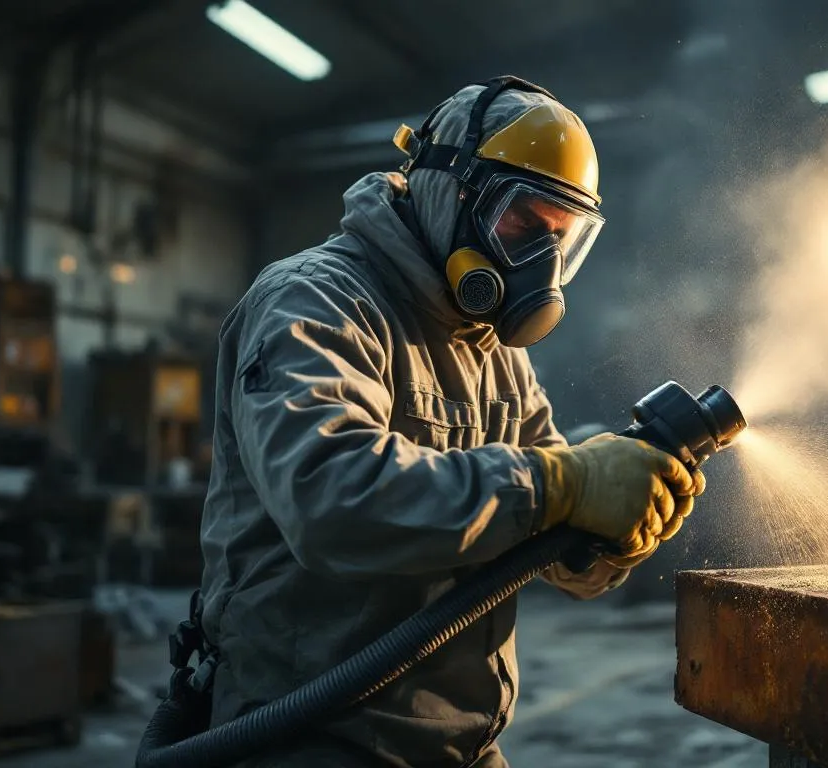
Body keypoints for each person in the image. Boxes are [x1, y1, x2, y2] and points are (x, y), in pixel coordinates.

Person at [196, 76, 705, 767]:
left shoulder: (493, 351)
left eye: (563, 239)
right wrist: (564, 486)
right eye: (524, 223)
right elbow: (332, 504)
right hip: (313, 733)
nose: (542, 263)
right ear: (446, 190)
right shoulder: (314, 303)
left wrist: (616, 531)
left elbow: (557, 551)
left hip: (460, 741)